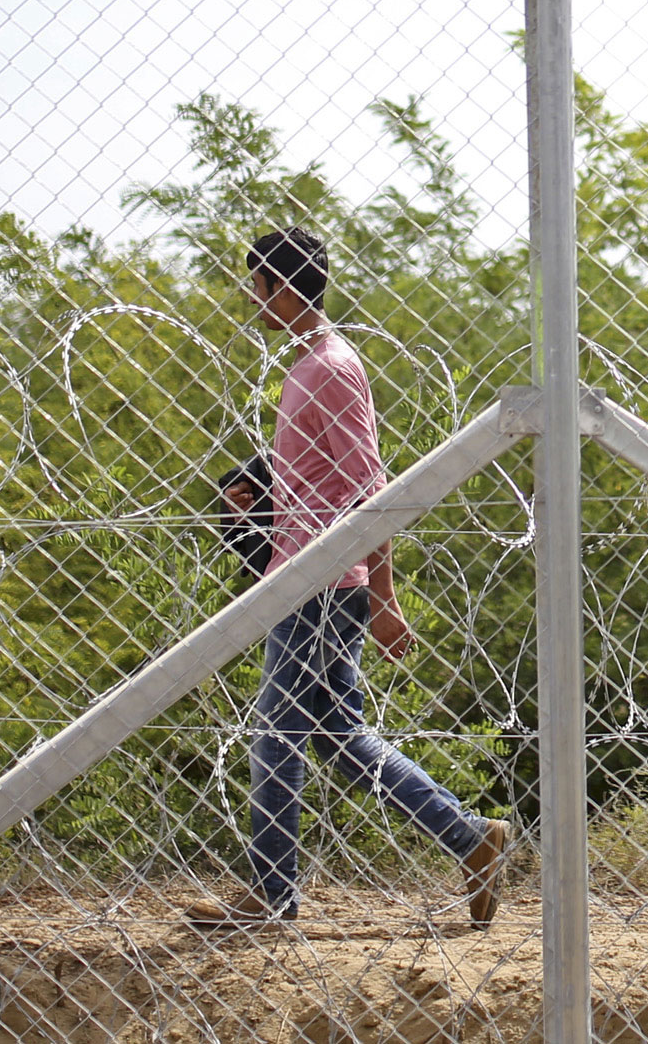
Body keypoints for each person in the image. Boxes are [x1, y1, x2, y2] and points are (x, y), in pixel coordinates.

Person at [186, 227, 510, 929]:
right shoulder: (308, 366)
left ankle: (272, 897)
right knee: (338, 736)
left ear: (281, 285)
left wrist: (383, 595)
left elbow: (371, 488)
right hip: (306, 573)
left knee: (277, 735)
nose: (251, 299)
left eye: (258, 285)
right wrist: (257, 494)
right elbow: (322, 481)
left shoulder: (329, 367)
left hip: (322, 583)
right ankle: (469, 836)